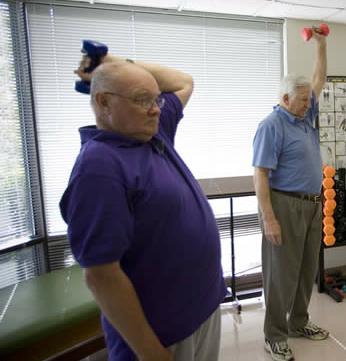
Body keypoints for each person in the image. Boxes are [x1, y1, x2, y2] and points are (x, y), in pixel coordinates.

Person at [60, 53, 226, 361]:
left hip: (201, 311)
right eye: (141, 100)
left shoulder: (152, 132)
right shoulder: (99, 166)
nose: (154, 109)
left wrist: (114, 62)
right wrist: (150, 352)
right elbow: (101, 275)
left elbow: (183, 82)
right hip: (163, 336)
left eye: (156, 99)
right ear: (104, 102)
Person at [252, 27, 329, 361]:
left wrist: (322, 45)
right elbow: (260, 174)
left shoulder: (304, 117)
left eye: (308, 100)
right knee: (280, 276)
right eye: (301, 100)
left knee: (305, 270)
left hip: (313, 205)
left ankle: (299, 322)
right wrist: (269, 218)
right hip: (284, 205)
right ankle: (274, 335)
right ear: (285, 99)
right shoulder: (272, 125)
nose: (307, 103)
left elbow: (319, 79)